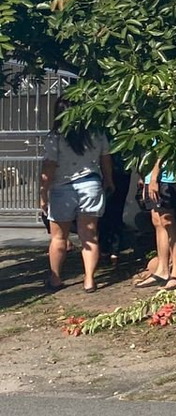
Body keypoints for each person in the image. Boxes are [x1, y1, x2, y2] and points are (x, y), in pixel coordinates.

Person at [39, 99, 114, 293]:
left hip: (62, 190)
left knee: (58, 237)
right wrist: (108, 180)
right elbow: (106, 159)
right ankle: (89, 279)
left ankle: (55, 278)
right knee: (89, 235)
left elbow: (49, 166)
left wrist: (43, 193)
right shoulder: (96, 133)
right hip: (90, 185)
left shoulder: (55, 137)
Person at [135, 149, 176, 290]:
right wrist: (146, 178)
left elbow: (163, 150)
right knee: (157, 221)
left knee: (167, 221)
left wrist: (153, 178)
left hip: (165, 178)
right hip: (151, 178)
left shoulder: (164, 128)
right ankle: (162, 270)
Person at [98, 150, 132, 261]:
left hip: (117, 171)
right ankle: (109, 248)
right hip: (118, 171)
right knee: (110, 212)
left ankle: (110, 248)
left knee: (111, 211)